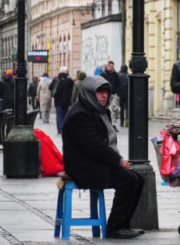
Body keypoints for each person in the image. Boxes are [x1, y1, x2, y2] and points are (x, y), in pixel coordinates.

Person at [62, 76, 145, 240]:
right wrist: (119, 162)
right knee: (129, 180)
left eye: (106, 91)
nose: (104, 95)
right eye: (99, 92)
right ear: (89, 93)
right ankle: (115, 227)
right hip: (84, 167)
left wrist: (117, 161)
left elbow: (105, 144)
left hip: (96, 163)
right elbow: (95, 147)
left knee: (139, 179)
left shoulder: (99, 111)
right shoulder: (80, 114)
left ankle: (123, 224)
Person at [52, 66, 74, 134]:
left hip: (58, 101)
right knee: (65, 114)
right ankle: (64, 127)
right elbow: (72, 90)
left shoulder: (56, 79)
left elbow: (50, 87)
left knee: (59, 115)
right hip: (66, 101)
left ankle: (59, 128)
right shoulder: (69, 80)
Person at [101, 61, 121, 128]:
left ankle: (113, 124)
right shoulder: (104, 74)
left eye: (112, 66)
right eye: (110, 66)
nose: (111, 68)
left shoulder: (116, 74)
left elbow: (118, 84)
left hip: (113, 94)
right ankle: (105, 123)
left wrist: (117, 93)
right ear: (108, 66)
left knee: (114, 109)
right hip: (105, 94)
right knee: (104, 108)